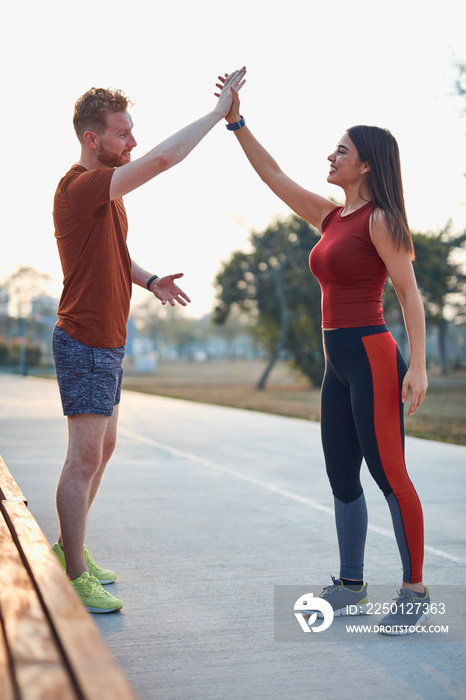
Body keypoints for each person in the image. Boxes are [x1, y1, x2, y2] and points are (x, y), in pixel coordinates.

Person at [216, 75, 430, 635]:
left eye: (343, 150)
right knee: (341, 475)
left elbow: (409, 293)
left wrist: (421, 367)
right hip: (338, 366)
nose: (331, 156)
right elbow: (273, 175)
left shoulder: (380, 219)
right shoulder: (332, 218)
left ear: (365, 165)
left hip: (373, 356)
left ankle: (413, 592)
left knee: (391, 476)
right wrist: (237, 122)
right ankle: (352, 585)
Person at [52, 69, 246, 614]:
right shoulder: (80, 186)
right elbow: (162, 160)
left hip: (107, 341)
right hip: (86, 340)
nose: (132, 142)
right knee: (83, 460)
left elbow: (112, 253)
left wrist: (150, 279)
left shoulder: (106, 199)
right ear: (92, 138)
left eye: (133, 132)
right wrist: (216, 115)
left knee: (103, 449)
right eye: (122, 134)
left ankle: (73, 548)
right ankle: (72, 572)